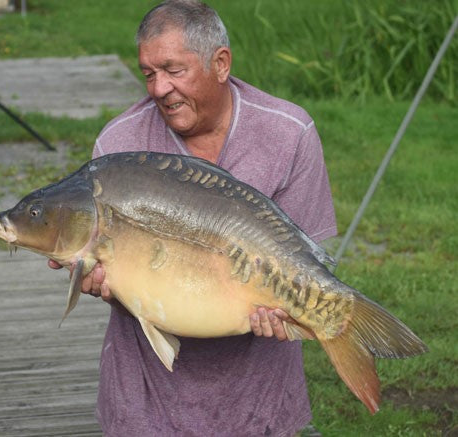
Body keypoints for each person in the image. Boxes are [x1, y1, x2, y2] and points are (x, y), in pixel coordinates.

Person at [49, 1, 337, 435]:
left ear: (220, 63)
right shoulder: (119, 143)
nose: (159, 88)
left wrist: (294, 309)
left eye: (173, 70)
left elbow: (311, 258)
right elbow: (116, 268)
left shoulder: (288, 133)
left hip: (259, 396)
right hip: (146, 398)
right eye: (148, 73)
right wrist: (99, 282)